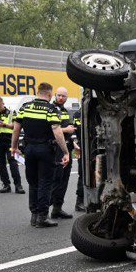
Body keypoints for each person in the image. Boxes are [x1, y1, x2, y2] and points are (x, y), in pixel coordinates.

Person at [11, 83, 70, 227]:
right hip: (45, 150)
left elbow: (16, 129)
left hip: (29, 149)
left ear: (37, 92)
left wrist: (14, 147)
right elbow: (57, 131)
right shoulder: (51, 109)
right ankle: (42, 217)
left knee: (33, 182)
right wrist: (66, 151)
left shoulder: (25, 107)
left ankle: (34, 215)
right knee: (45, 182)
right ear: (50, 95)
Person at [49, 87, 80, 221]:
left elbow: (67, 134)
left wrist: (74, 144)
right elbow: (50, 129)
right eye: (59, 95)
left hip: (67, 148)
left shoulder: (65, 111)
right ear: (55, 95)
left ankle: (57, 209)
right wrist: (66, 129)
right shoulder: (51, 109)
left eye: (64, 96)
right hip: (55, 150)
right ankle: (44, 210)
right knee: (55, 180)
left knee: (64, 181)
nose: (61, 98)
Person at [0, 96, 25, 194]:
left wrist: (4, 125)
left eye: (0, 106)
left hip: (9, 140)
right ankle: (6, 185)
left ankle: (18, 185)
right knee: (1, 164)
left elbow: (16, 126)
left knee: (13, 163)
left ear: (3, 103)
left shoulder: (12, 112)